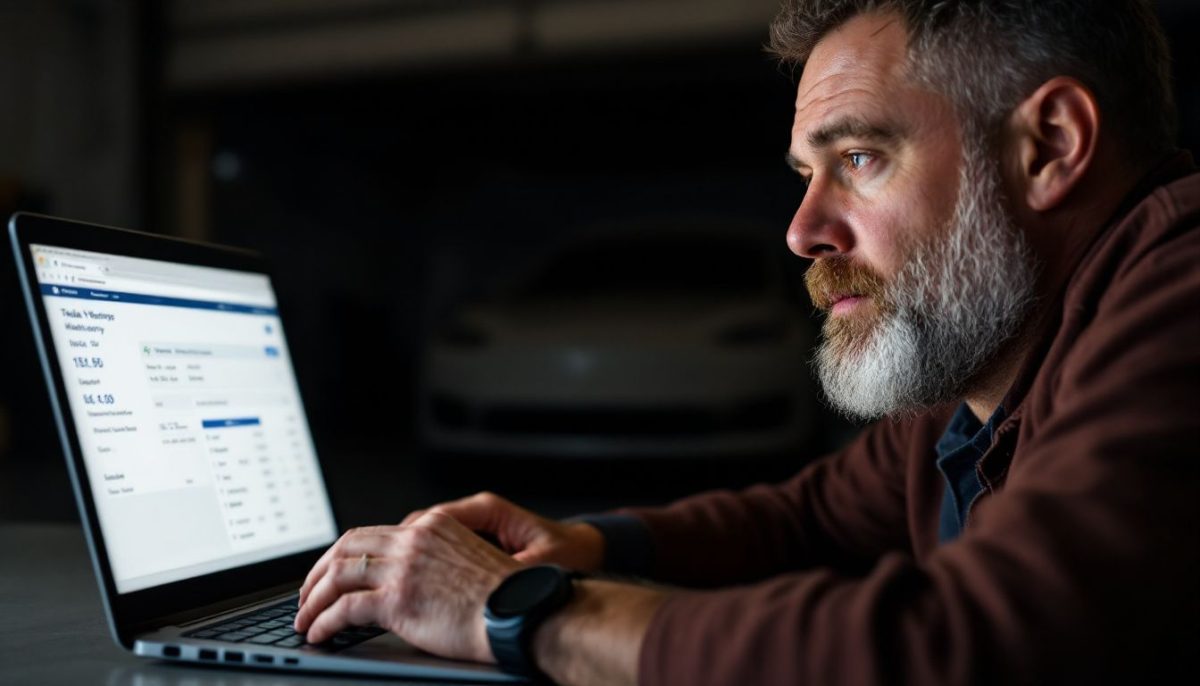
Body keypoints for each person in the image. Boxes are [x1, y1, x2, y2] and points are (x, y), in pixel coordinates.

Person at [293, 1, 1199, 683]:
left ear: (1050, 146)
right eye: (808, 175)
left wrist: (515, 610)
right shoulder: (986, 373)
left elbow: (969, 642)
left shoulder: (1181, 284)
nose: (805, 230)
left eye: (859, 160)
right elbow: (806, 518)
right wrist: (584, 544)